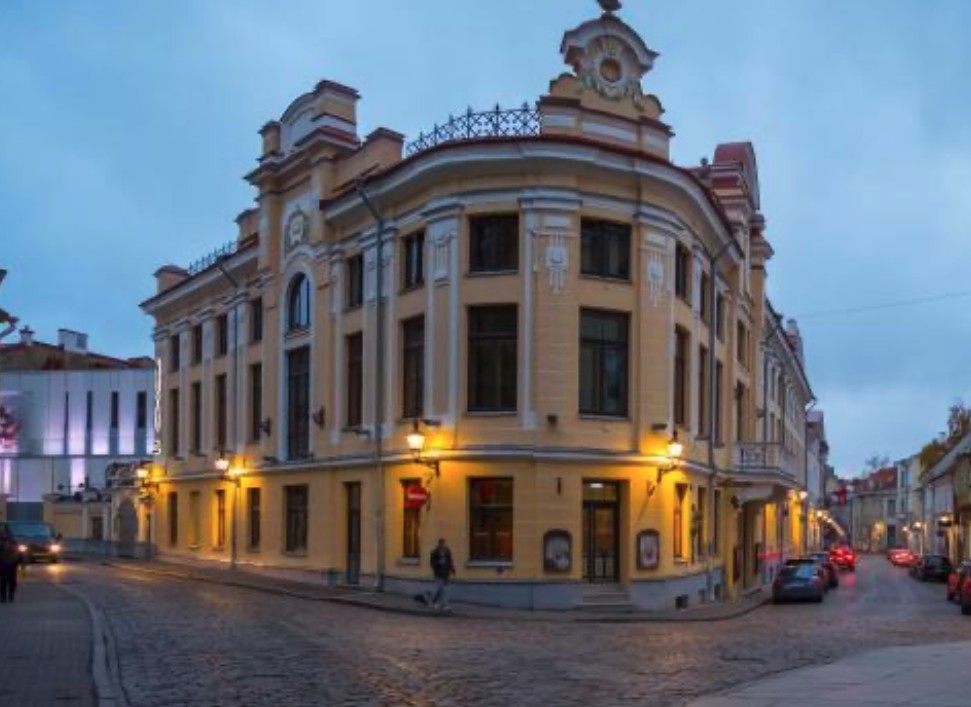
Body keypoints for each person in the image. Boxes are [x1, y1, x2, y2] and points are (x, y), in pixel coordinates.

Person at [427, 538, 455, 611]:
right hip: (438, 574)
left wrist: (452, 569)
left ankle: (442, 604)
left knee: (444, 590)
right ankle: (439, 603)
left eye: (444, 544)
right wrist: (438, 563)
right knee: (440, 589)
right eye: (441, 544)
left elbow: (450, 561)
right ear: (439, 544)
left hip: (446, 574)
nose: (443, 545)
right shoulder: (434, 552)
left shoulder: (447, 552)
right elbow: (432, 564)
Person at [0, 528, 20, 604]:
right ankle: (3, 597)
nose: (4, 535)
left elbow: (17, 553)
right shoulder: (2, 542)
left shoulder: (13, 542)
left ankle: (11, 595)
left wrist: (18, 562)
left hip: (12, 563)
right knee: (3, 580)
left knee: (12, 581)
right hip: (3, 563)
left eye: (5, 533)